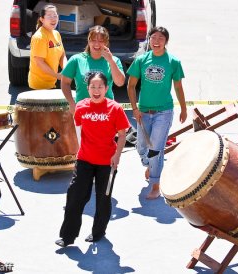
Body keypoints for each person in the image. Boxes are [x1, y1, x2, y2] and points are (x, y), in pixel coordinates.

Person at [55, 72, 130, 247]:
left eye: (100, 87)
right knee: (75, 197)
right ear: (87, 88)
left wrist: (117, 155)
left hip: (108, 163)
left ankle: (98, 232)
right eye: (93, 87)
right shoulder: (81, 107)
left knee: (103, 199)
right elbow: (79, 132)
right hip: (85, 160)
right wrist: (78, 151)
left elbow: (122, 134)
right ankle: (67, 236)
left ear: (106, 88)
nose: (96, 90)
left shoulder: (115, 108)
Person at [127, 26, 187, 200]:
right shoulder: (141, 60)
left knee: (156, 149)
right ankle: (151, 166)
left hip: (164, 112)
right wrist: (135, 109)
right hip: (143, 112)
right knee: (142, 148)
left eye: (161, 38)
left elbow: (178, 86)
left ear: (166, 41)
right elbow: (131, 86)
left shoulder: (173, 62)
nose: (156, 41)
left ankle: (155, 184)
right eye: (153, 37)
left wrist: (183, 108)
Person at [61, 25, 125, 114]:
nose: (97, 44)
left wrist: (110, 61)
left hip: (106, 112)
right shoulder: (76, 59)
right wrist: (71, 103)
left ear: (106, 43)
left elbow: (120, 82)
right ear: (88, 40)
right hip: (83, 111)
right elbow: (65, 83)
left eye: (101, 41)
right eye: (93, 40)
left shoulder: (114, 60)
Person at [28, 4, 66, 90]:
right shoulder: (39, 37)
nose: (53, 19)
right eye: (49, 16)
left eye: (55, 16)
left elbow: (62, 55)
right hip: (39, 85)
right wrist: (58, 76)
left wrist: (66, 69)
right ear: (42, 19)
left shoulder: (56, 34)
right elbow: (40, 63)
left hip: (51, 83)